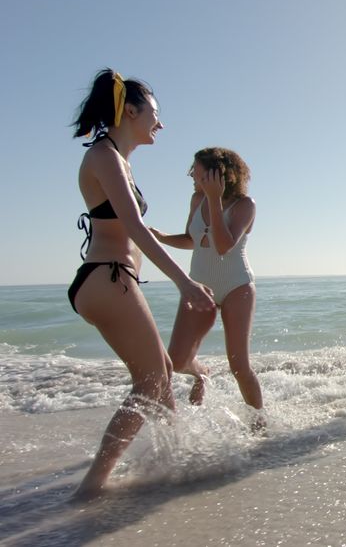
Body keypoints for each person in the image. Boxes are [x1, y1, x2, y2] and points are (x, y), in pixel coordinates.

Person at [67, 69, 215, 499]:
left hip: (113, 279)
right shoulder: (104, 155)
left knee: (161, 373)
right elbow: (133, 227)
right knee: (150, 380)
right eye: (154, 112)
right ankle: (92, 487)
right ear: (130, 111)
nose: (160, 123)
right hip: (106, 277)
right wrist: (184, 282)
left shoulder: (119, 159)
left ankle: (174, 460)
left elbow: (137, 228)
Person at [150, 148, 263, 426]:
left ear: (216, 174)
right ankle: (202, 374)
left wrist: (214, 199)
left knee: (239, 367)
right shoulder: (197, 199)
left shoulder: (245, 205)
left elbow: (223, 246)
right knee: (177, 361)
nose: (192, 176)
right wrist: (162, 237)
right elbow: (193, 239)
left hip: (236, 285)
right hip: (200, 285)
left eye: (197, 171)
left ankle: (260, 425)